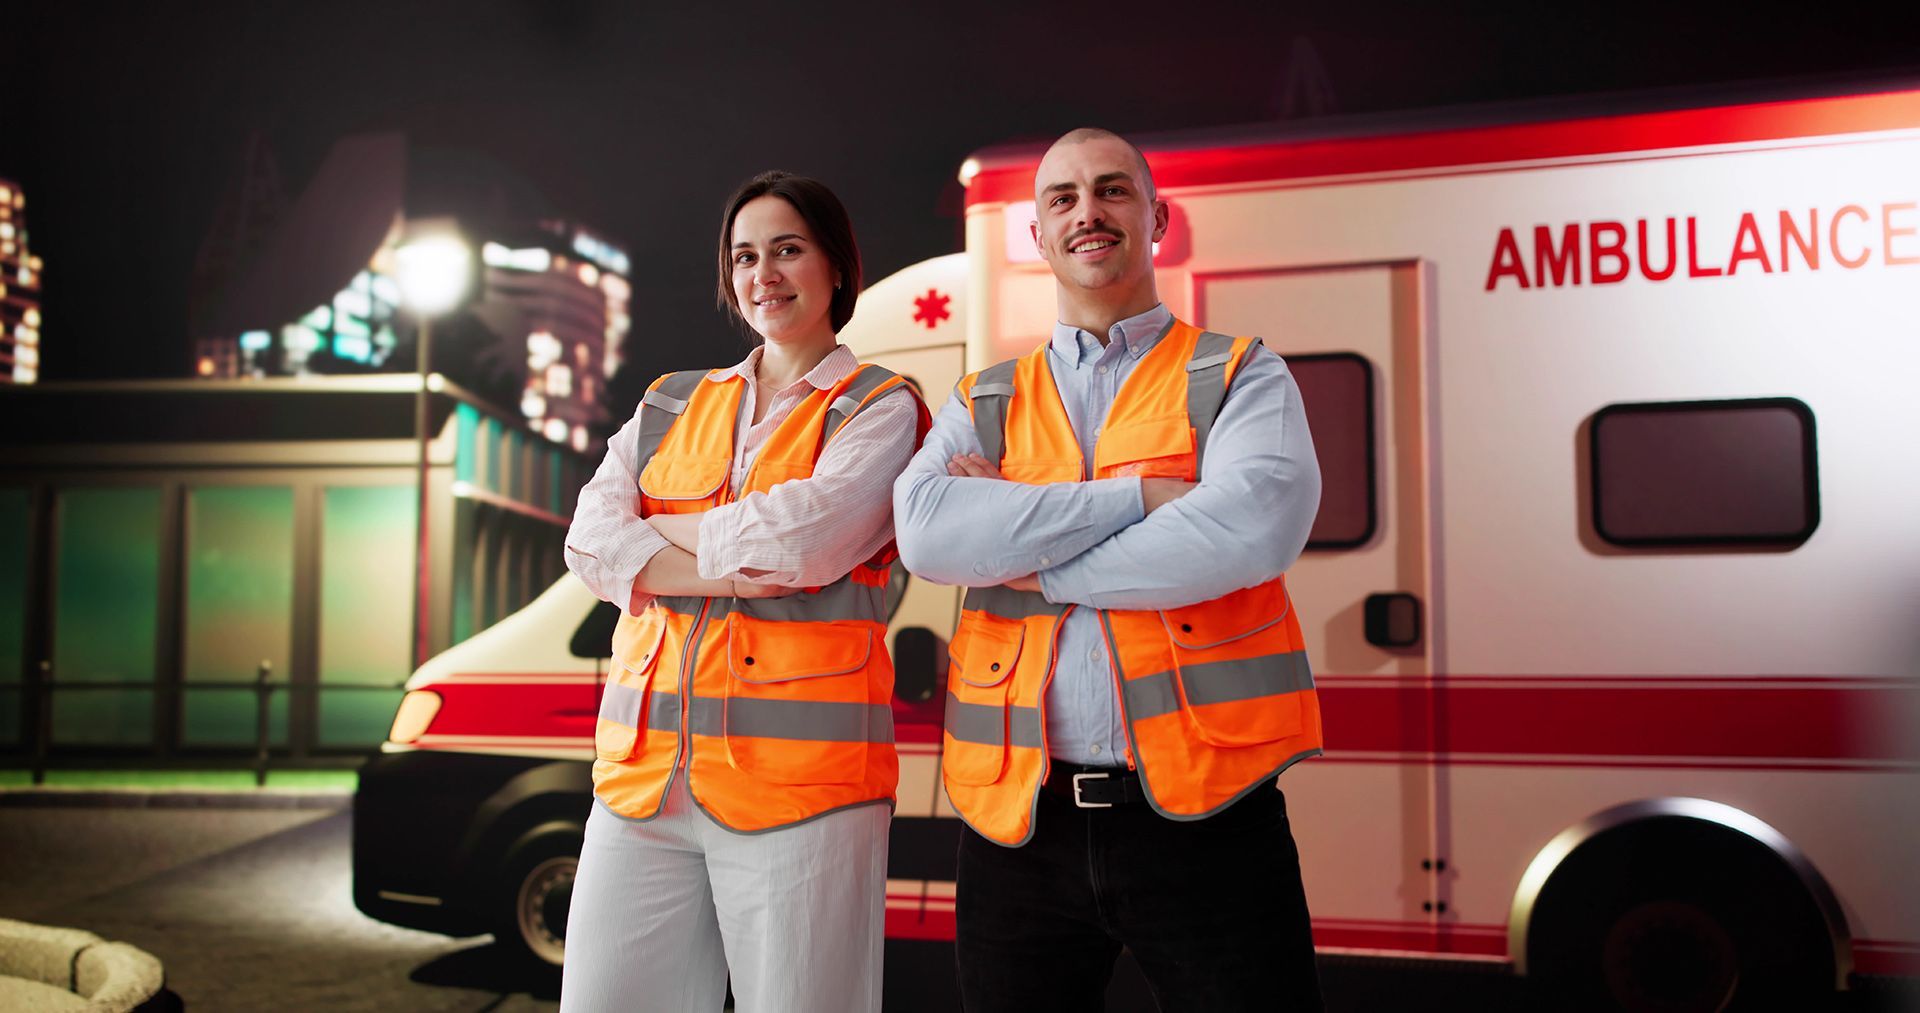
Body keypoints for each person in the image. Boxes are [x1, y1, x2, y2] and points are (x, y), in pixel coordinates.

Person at [893, 128, 1326, 1011]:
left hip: (1209, 818)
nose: (1087, 211)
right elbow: (929, 536)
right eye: (1062, 199)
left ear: (1157, 216)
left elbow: (1249, 532)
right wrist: (1143, 498)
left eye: (1112, 190)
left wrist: (1026, 558)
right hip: (1020, 823)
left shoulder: (1240, 374)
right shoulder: (986, 397)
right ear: (1038, 238)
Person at [560, 170, 928, 1013]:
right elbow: (588, 538)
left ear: (837, 267)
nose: (763, 274)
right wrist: (738, 546)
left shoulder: (878, 406)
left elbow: (801, 541)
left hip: (803, 791)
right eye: (744, 256)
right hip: (643, 782)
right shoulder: (669, 403)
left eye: (788, 250)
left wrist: (660, 529)